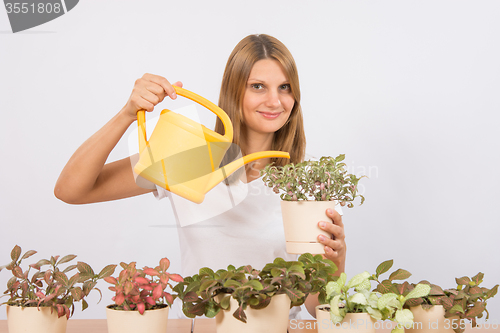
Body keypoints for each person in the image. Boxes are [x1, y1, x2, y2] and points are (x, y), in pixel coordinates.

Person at [54, 34, 346, 317]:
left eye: (284, 87)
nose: (275, 101)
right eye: (258, 86)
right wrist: (127, 114)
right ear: (234, 91)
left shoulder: (309, 179)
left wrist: (336, 260)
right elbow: (71, 190)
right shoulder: (193, 157)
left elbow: (313, 305)